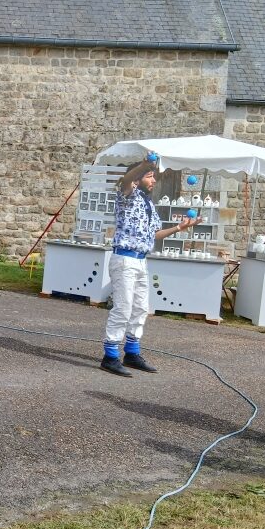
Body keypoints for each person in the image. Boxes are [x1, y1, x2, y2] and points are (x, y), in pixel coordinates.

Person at [100, 152, 203, 377]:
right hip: (124, 259)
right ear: (138, 178)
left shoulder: (149, 204)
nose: (154, 180)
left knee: (140, 308)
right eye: (149, 176)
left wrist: (180, 228)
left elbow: (154, 234)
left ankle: (132, 352)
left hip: (140, 261)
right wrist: (144, 164)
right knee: (123, 307)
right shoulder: (127, 194)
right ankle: (109, 356)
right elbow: (126, 180)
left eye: (153, 175)